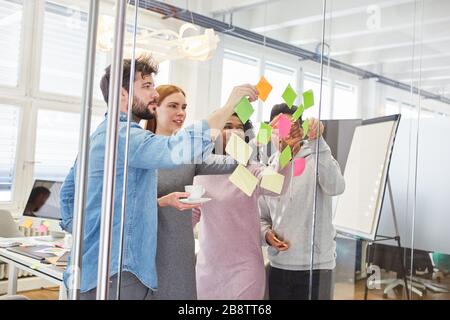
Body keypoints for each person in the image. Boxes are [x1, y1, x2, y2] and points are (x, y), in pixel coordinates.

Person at [59, 55, 258, 300]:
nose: (154, 93)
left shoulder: (102, 136)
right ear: (122, 94)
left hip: (96, 268)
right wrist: (228, 106)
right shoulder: (123, 137)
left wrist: (93, 235)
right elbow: (177, 149)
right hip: (119, 271)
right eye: (146, 86)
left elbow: (68, 196)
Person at [192, 112, 302, 300]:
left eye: (240, 127)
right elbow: (189, 216)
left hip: (245, 269)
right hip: (208, 270)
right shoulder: (201, 172)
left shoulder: (249, 169)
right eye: (228, 126)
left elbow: (277, 186)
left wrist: (286, 153)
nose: (235, 132)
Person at [145, 84, 237, 300]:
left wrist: (246, 142)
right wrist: (161, 201)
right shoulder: (143, 150)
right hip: (147, 248)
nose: (181, 113)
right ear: (155, 108)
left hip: (180, 252)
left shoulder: (189, 153)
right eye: (173, 106)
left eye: (184, 107)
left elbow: (231, 164)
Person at [259, 103, 345, 300]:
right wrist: (266, 234)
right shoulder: (268, 169)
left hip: (317, 267)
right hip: (279, 266)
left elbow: (336, 187)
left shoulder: (317, 157)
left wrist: (318, 142)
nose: (287, 132)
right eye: (281, 126)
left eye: (293, 126)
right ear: (271, 131)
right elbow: (262, 216)